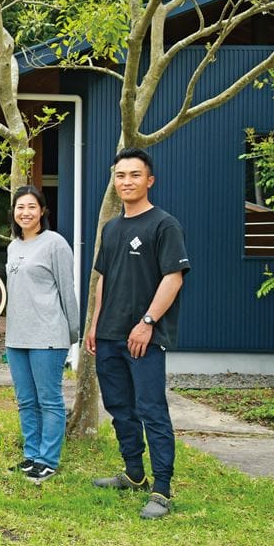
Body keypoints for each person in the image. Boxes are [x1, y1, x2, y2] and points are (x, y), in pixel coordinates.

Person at [85, 147, 190, 519]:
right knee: (119, 408)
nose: (126, 181)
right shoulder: (111, 228)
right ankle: (133, 474)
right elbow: (103, 280)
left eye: (134, 175)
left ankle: (161, 489)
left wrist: (147, 322)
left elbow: (173, 278)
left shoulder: (164, 225)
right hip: (110, 334)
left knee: (151, 410)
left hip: (145, 336)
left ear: (149, 180)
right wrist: (95, 325)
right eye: (120, 176)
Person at [4, 185, 80, 484]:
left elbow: (67, 290)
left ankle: (48, 460)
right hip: (16, 337)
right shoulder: (13, 246)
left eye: (31, 207)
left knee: (49, 400)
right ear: (14, 212)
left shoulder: (55, 244)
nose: (25, 212)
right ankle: (32, 455)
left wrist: (72, 332)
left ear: (42, 211)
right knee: (25, 400)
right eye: (20, 207)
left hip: (48, 334)